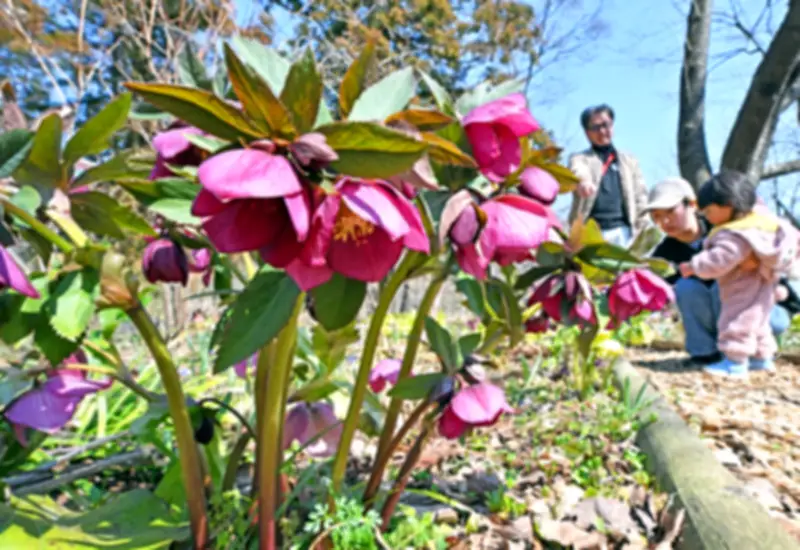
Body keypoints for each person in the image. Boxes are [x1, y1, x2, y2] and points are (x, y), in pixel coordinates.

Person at [646, 176, 798, 368]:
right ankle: (705, 353)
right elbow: (648, 281)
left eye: (670, 211)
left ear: (692, 204)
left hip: (762, 306)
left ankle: (746, 355)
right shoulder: (666, 253)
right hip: (720, 314)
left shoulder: (727, 226)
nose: (665, 221)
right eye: (656, 216)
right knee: (685, 287)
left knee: (727, 283)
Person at [568, 104, 648, 247]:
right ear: (587, 132)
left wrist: (642, 229)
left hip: (624, 232)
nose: (602, 131)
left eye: (606, 125)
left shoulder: (629, 161)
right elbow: (578, 171)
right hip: (590, 232)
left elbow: (640, 196)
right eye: (595, 127)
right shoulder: (579, 158)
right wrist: (584, 182)